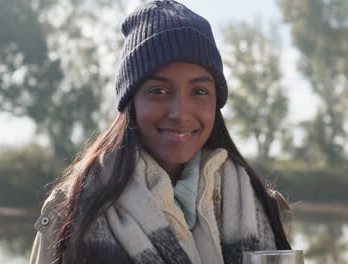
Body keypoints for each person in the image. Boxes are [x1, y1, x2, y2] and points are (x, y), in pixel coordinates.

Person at [29, 1, 291, 263]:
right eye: (159, 91)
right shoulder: (73, 207)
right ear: (131, 101)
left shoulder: (262, 207)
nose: (180, 112)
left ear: (216, 103)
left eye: (199, 92)